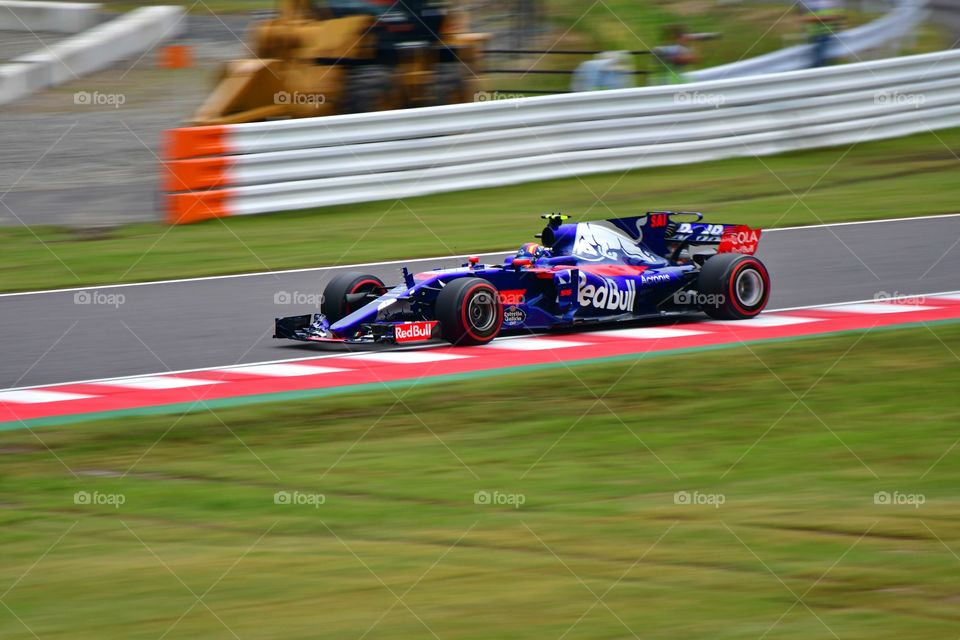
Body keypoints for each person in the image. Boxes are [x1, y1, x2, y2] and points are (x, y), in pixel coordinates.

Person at [801, 0, 845, 68]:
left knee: (821, 61)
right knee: (818, 60)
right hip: (815, 35)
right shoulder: (810, 3)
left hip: (825, 35)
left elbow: (837, 16)